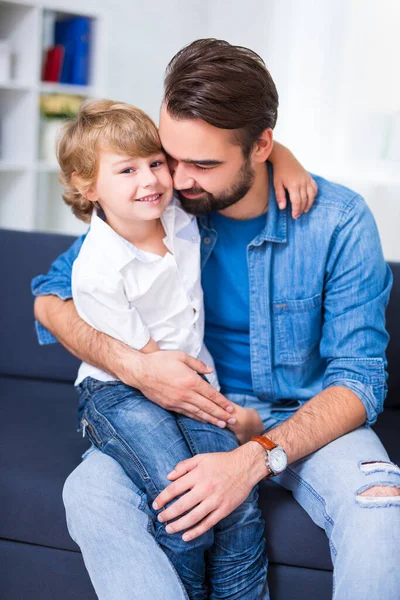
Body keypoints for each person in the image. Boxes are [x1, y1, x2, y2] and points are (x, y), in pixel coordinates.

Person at [32, 39, 399, 600]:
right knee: (89, 496)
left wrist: (252, 459)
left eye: (202, 164)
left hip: (305, 416)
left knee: (381, 505)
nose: (174, 180)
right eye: (168, 156)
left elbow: (359, 380)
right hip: (179, 408)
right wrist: (137, 367)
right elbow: (49, 301)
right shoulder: (164, 207)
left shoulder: (339, 222)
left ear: (262, 147)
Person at [56, 97, 274, 600]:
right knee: (181, 500)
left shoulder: (178, 215)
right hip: (125, 389)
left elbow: (239, 152)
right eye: (127, 170)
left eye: (155, 163)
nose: (150, 180)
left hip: (188, 378)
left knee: (236, 503)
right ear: (89, 188)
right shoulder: (97, 269)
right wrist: (223, 414)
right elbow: (156, 373)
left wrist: (283, 158)